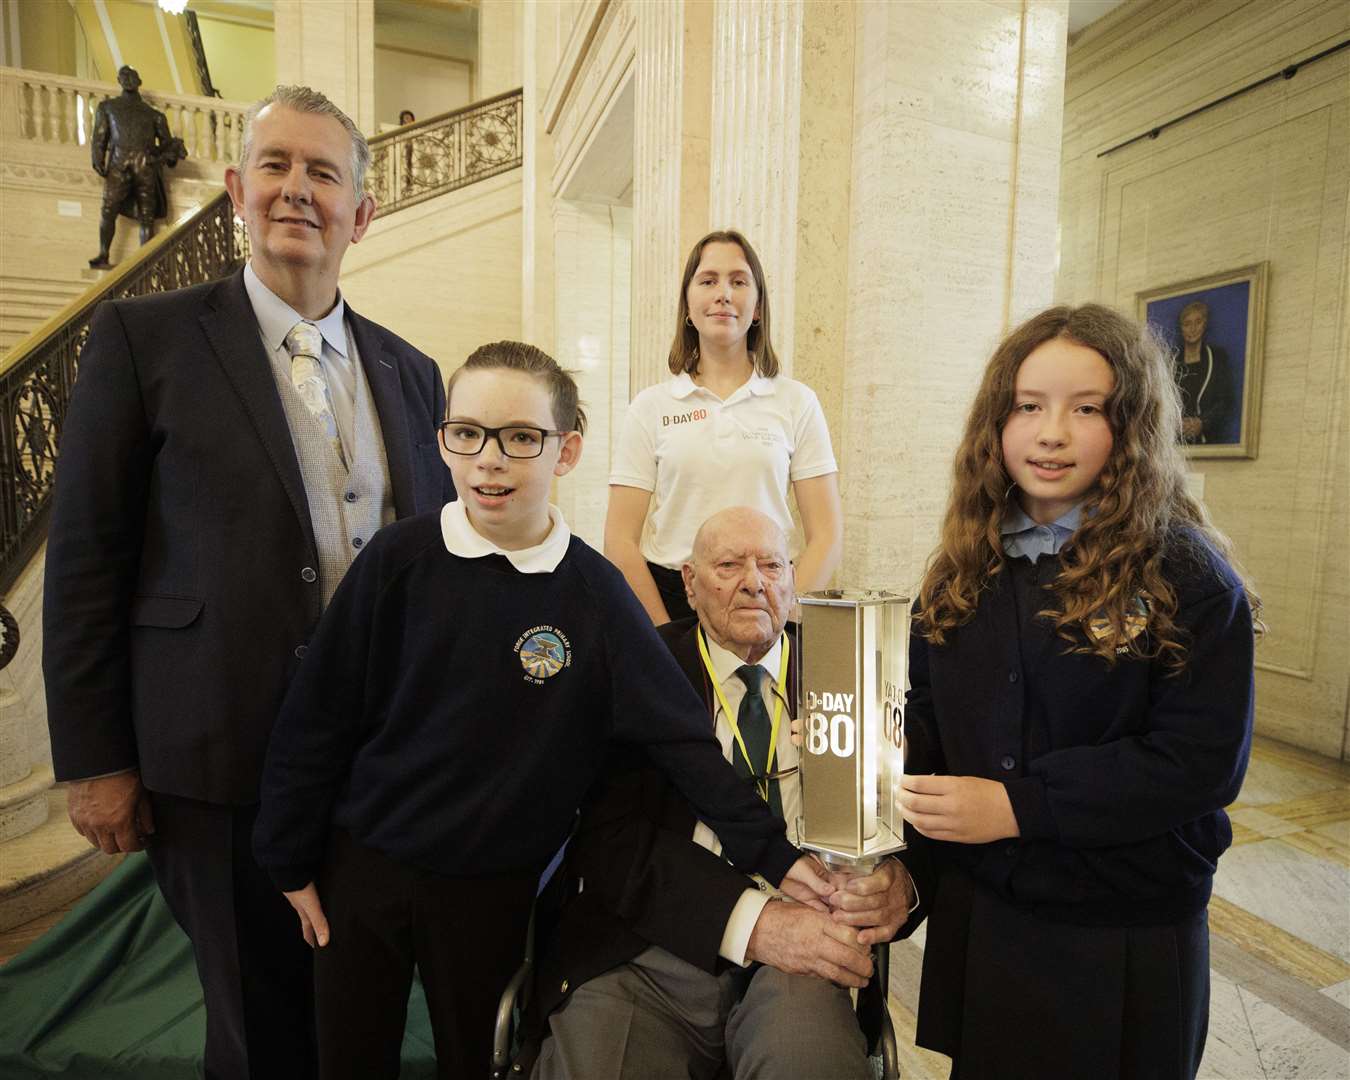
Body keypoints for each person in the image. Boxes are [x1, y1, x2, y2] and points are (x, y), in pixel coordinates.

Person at [252, 344, 830, 1080]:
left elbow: (682, 741)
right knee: (350, 1057)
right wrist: (288, 856)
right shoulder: (398, 561)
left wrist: (776, 855)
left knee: (477, 1059)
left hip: (491, 894)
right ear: (443, 443)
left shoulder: (593, 595)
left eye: (521, 438)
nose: (490, 460)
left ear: (567, 451)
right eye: (469, 433)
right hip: (364, 871)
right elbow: (318, 716)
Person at [42, 85, 455, 1080]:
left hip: (379, 773)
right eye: (275, 166)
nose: (296, 190)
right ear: (236, 189)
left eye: (324, 173)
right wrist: (95, 759)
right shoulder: (145, 341)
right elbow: (88, 557)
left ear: (363, 212)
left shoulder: (414, 371)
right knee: (258, 1034)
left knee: (358, 1023)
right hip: (217, 766)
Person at [897, 304, 1260, 1079]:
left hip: (1121, 933)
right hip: (993, 916)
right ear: (998, 420)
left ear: (1129, 426)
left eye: (1086, 408)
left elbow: (1197, 761)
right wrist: (865, 740)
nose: (1051, 432)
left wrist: (1017, 805)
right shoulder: (964, 567)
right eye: (1029, 406)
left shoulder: (1188, 577)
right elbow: (926, 708)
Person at [524, 506, 916, 1080]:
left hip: (808, 948)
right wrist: (753, 923)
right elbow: (608, 841)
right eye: (729, 565)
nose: (754, 581)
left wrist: (902, 885)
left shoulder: (849, 661)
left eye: (773, 564)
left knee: (809, 1062)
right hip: (647, 947)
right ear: (688, 583)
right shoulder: (644, 669)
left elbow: (916, 802)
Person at [605, 230, 842, 623]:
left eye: (738, 281)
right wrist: (662, 635)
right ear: (688, 304)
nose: (724, 293)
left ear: (758, 307)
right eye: (709, 280)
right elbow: (619, 540)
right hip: (673, 601)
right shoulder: (651, 407)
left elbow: (827, 535)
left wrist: (784, 612)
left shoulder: (796, 401)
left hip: (767, 597)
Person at [88, 65, 186, 268]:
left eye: (132, 76)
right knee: (110, 209)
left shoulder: (154, 115)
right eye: (126, 76)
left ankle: (144, 260)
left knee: (145, 215)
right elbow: (100, 138)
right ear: (119, 80)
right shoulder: (108, 108)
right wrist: (98, 159)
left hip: (143, 165)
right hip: (122, 164)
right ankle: (105, 254)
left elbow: (167, 146)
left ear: (138, 82)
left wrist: (172, 153)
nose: (129, 80)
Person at [1174, 300, 1236, 444]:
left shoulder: (1217, 358)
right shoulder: (1170, 362)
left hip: (1208, 441)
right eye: (1187, 324)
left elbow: (1225, 402)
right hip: (1175, 444)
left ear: (1205, 324)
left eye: (1198, 322)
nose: (1193, 329)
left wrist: (1202, 423)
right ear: (1181, 328)